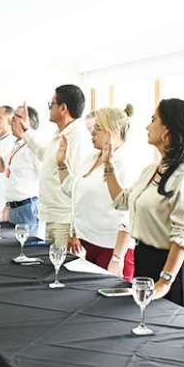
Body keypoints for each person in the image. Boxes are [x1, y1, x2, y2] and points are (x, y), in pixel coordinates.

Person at [103, 98, 184, 311]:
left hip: (174, 268)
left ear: (168, 131)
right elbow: (122, 201)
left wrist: (165, 282)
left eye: (153, 120)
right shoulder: (153, 169)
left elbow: (183, 234)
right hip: (146, 258)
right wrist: (108, 166)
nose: (147, 126)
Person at [58, 106, 136, 280]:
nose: (92, 132)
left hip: (112, 249)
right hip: (87, 245)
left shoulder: (125, 163)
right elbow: (71, 189)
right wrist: (61, 163)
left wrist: (117, 257)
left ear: (113, 132)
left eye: (97, 129)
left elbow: (129, 216)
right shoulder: (92, 158)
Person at [15, 85, 90, 247]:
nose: (49, 109)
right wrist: (26, 132)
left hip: (66, 222)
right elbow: (45, 155)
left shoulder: (77, 137)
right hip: (53, 216)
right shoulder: (61, 133)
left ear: (63, 108)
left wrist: (74, 231)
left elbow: (79, 187)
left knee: (60, 267)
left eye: (52, 105)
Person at [0, 105, 41, 235]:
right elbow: (1, 167)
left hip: (26, 209)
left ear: (27, 122)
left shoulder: (34, 147)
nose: (10, 121)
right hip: (12, 209)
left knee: (25, 251)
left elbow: (46, 180)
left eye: (15, 118)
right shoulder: (17, 145)